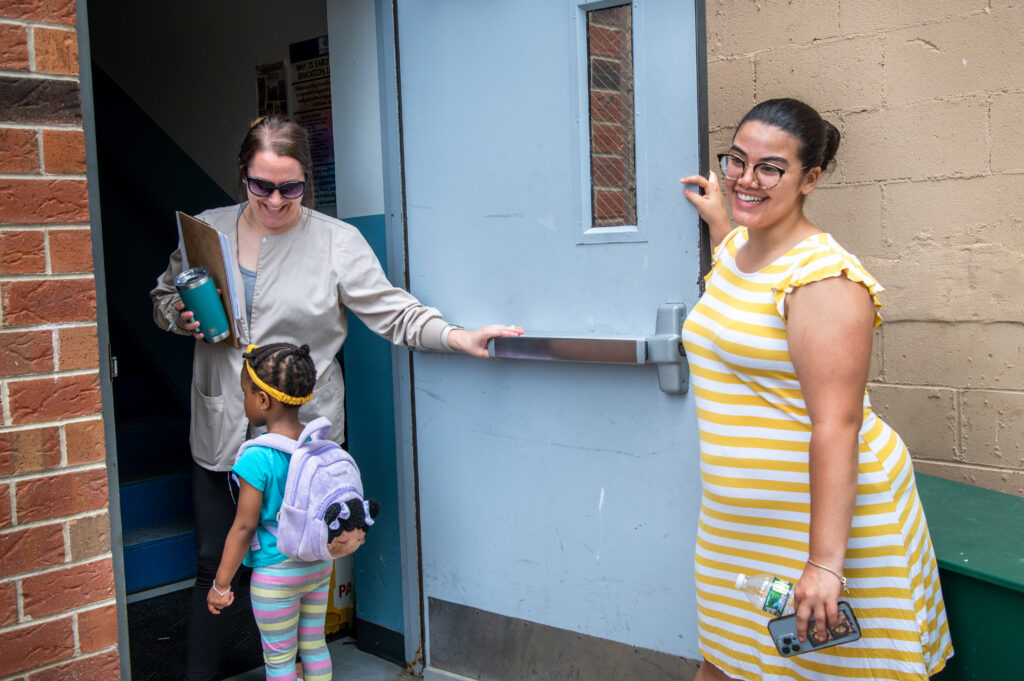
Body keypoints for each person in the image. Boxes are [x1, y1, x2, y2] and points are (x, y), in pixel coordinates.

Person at [151, 115, 524, 680]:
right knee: (214, 564)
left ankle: (291, 666)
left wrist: (456, 336)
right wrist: (178, 317)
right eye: (261, 185)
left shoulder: (336, 241)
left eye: (290, 187)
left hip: (303, 445)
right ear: (242, 177)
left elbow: (393, 311)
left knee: (301, 563)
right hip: (223, 424)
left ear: (308, 183)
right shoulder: (206, 228)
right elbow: (163, 295)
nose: (275, 200)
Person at [679, 98, 953, 681]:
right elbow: (743, 286)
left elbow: (837, 424)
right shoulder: (737, 253)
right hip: (737, 524)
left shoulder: (824, 281)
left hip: (824, 526)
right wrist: (722, 217)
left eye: (769, 168)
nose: (746, 179)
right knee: (723, 662)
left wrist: (825, 564)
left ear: (810, 178)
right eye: (737, 160)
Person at [206, 342, 337, 680]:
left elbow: (244, 527)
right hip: (318, 564)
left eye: (245, 393)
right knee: (314, 644)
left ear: (263, 401)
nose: (244, 401)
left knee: (279, 659)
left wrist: (221, 584)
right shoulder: (318, 444)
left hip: (276, 575)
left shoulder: (256, 458)